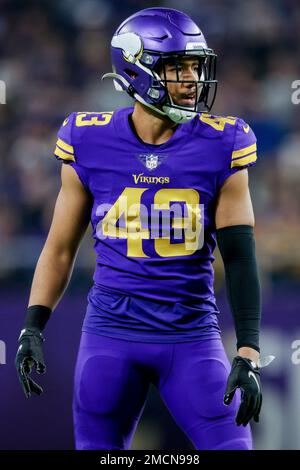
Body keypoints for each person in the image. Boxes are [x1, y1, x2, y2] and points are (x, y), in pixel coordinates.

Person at [15, 7, 265, 450]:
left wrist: (248, 350)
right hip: (109, 335)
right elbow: (59, 249)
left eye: (194, 65)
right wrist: (33, 325)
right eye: (175, 67)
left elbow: (241, 257)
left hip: (192, 337)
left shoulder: (224, 142)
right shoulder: (86, 138)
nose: (191, 79)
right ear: (137, 69)